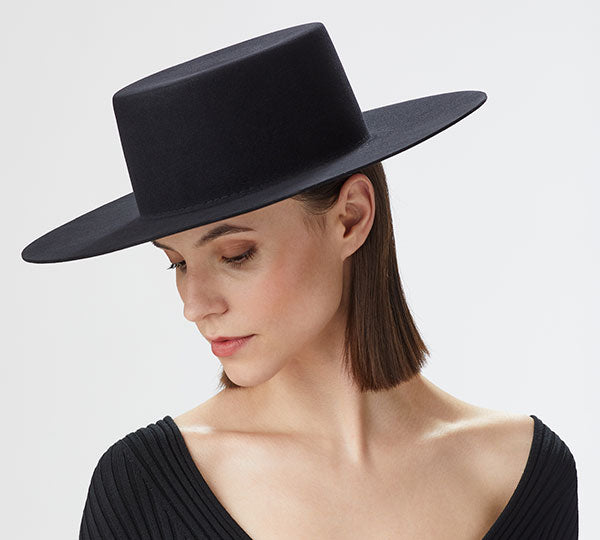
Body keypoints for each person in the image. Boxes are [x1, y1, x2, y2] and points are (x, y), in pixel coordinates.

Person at [21, 22, 578, 540]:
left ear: (351, 217)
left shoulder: (521, 471)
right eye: (177, 263)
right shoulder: (145, 490)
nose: (194, 305)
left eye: (236, 254)